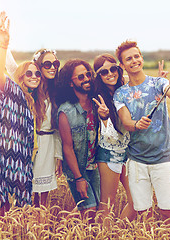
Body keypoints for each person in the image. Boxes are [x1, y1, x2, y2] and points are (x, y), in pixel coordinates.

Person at [113, 40, 170, 229]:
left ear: (141, 58)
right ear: (122, 65)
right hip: (137, 162)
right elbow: (126, 122)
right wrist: (136, 124)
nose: (134, 60)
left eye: (137, 56)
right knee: (143, 214)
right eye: (129, 58)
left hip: (163, 159)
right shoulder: (120, 94)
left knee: (167, 213)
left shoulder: (159, 83)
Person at [0, 12, 44, 216]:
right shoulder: (11, 91)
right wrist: (2, 44)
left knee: (20, 213)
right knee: (0, 211)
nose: (34, 76)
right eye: (29, 73)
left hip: (22, 161)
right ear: (21, 77)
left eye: (37, 74)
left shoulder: (36, 102)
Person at [6, 47, 63, 208]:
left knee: (42, 198)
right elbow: (13, 69)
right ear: (38, 65)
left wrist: (58, 155)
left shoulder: (56, 90)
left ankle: (40, 227)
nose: (52, 67)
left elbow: (57, 128)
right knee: (24, 193)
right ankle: (23, 228)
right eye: (47, 64)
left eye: (55, 63)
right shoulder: (29, 87)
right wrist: (2, 44)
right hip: (28, 146)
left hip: (48, 145)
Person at [91, 53, 137, 221]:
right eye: (104, 72)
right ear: (98, 76)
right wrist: (104, 117)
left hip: (128, 153)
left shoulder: (126, 89)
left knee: (137, 201)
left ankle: (118, 233)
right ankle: (105, 235)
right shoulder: (98, 97)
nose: (110, 74)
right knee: (107, 205)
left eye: (113, 69)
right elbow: (109, 137)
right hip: (109, 153)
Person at [56, 59, 100, 220]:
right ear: (70, 83)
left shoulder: (96, 103)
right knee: (89, 212)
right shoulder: (65, 111)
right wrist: (78, 178)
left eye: (88, 74)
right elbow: (67, 147)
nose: (87, 79)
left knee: (102, 212)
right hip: (78, 169)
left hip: (95, 166)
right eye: (80, 77)